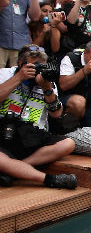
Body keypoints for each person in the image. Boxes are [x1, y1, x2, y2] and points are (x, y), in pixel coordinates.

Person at [0, 45, 77, 188]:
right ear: (20, 64)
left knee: (68, 144)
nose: (37, 70)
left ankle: (14, 170)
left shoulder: (47, 82)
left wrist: (46, 88)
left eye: (40, 66)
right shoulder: (6, 74)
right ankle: (49, 180)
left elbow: (57, 114)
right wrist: (18, 77)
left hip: (33, 137)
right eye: (33, 65)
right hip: (5, 132)